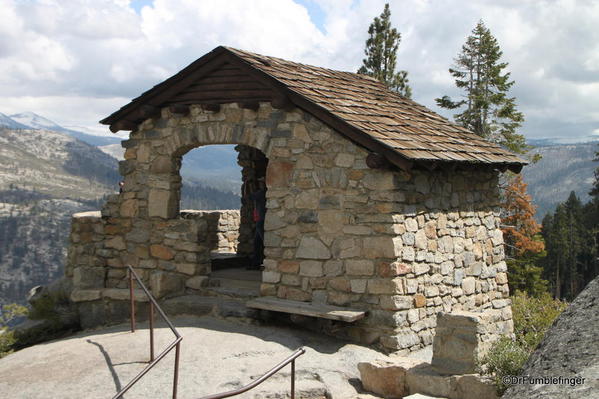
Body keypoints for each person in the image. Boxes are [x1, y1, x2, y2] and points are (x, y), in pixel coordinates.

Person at [249, 177, 266, 269]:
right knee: (257, 242)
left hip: (260, 220)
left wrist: (249, 186)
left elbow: (248, 197)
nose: (260, 184)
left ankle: (259, 262)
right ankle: (256, 263)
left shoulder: (261, 193)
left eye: (260, 183)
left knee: (263, 242)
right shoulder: (264, 193)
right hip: (261, 219)